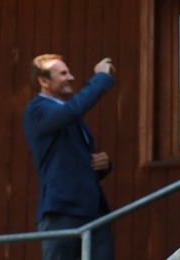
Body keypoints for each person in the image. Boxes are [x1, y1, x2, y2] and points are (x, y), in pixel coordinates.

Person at [23, 54, 116, 260]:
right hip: (61, 211)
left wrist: (102, 165)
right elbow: (72, 111)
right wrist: (100, 77)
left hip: (94, 212)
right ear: (43, 81)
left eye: (69, 72)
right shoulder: (37, 110)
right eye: (63, 73)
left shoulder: (66, 113)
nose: (71, 77)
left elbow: (71, 159)